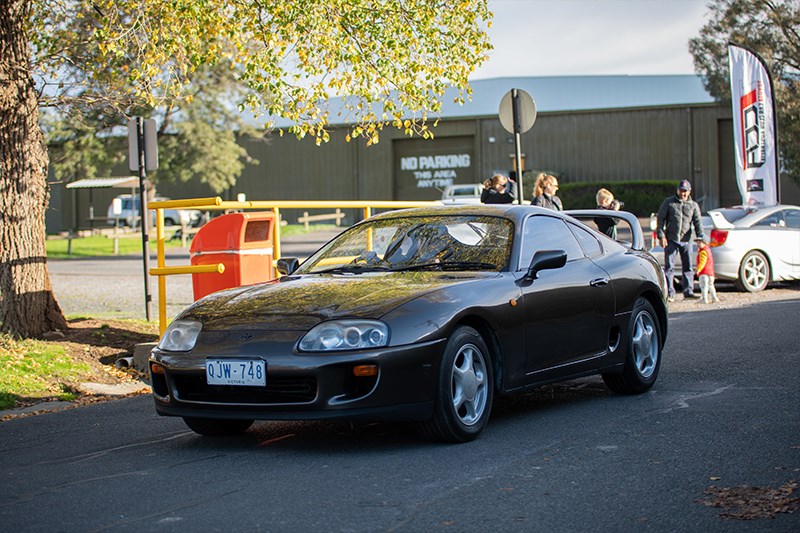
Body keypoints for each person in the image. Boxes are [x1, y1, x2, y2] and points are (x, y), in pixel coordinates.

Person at [656, 179, 705, 301]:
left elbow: (698, 223)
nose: (683, 193)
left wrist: (700, 238)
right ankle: (670, 293)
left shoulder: (693, 205)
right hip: (671, 239)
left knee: (688, 267)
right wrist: (661, 235)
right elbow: (660, 218)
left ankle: (688, 291)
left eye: (685, 191)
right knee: (669, 268)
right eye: (681, 190)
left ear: (689, 191)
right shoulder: (669, 202)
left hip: (686, 240)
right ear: (677, 190)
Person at [695, 238, 720, 304]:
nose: (698, 244)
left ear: (704, 243)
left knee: (704, 286)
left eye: (700, 243)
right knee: (711, 285)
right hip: (710, 273)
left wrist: (699, 270)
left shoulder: (703, 252)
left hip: (704, 273)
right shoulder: (708, 250)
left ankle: (704, 298)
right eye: (697, 243)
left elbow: (702, 262)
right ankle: (714, 297)